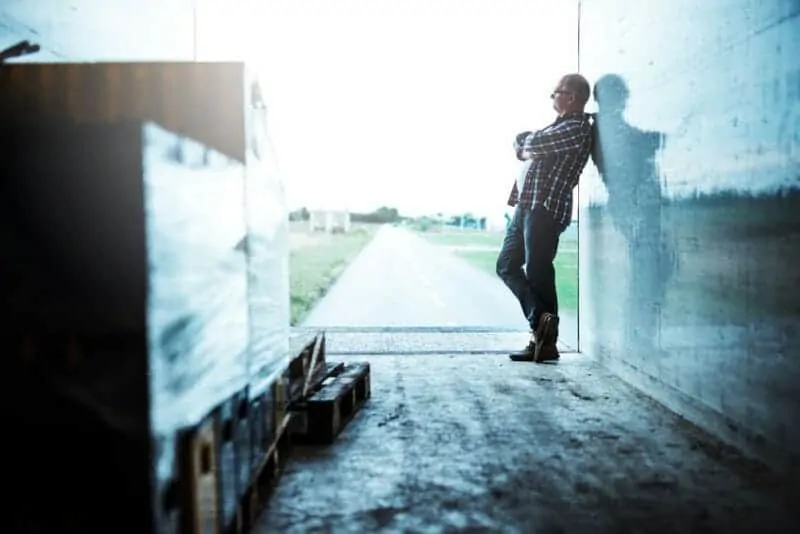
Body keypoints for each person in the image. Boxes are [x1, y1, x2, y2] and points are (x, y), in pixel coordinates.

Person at [496, 73, 594, 363]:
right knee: (506, 265)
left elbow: (532, 144)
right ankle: (542, 323)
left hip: (545, 208)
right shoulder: (561, 127)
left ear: (571, 97)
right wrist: (525, 143)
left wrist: (525, 141)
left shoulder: (576, 128)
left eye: (556, 92)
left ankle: (544, 339)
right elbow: (526, 147)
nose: (553, 97)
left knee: (538, 270)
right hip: (526, 207)